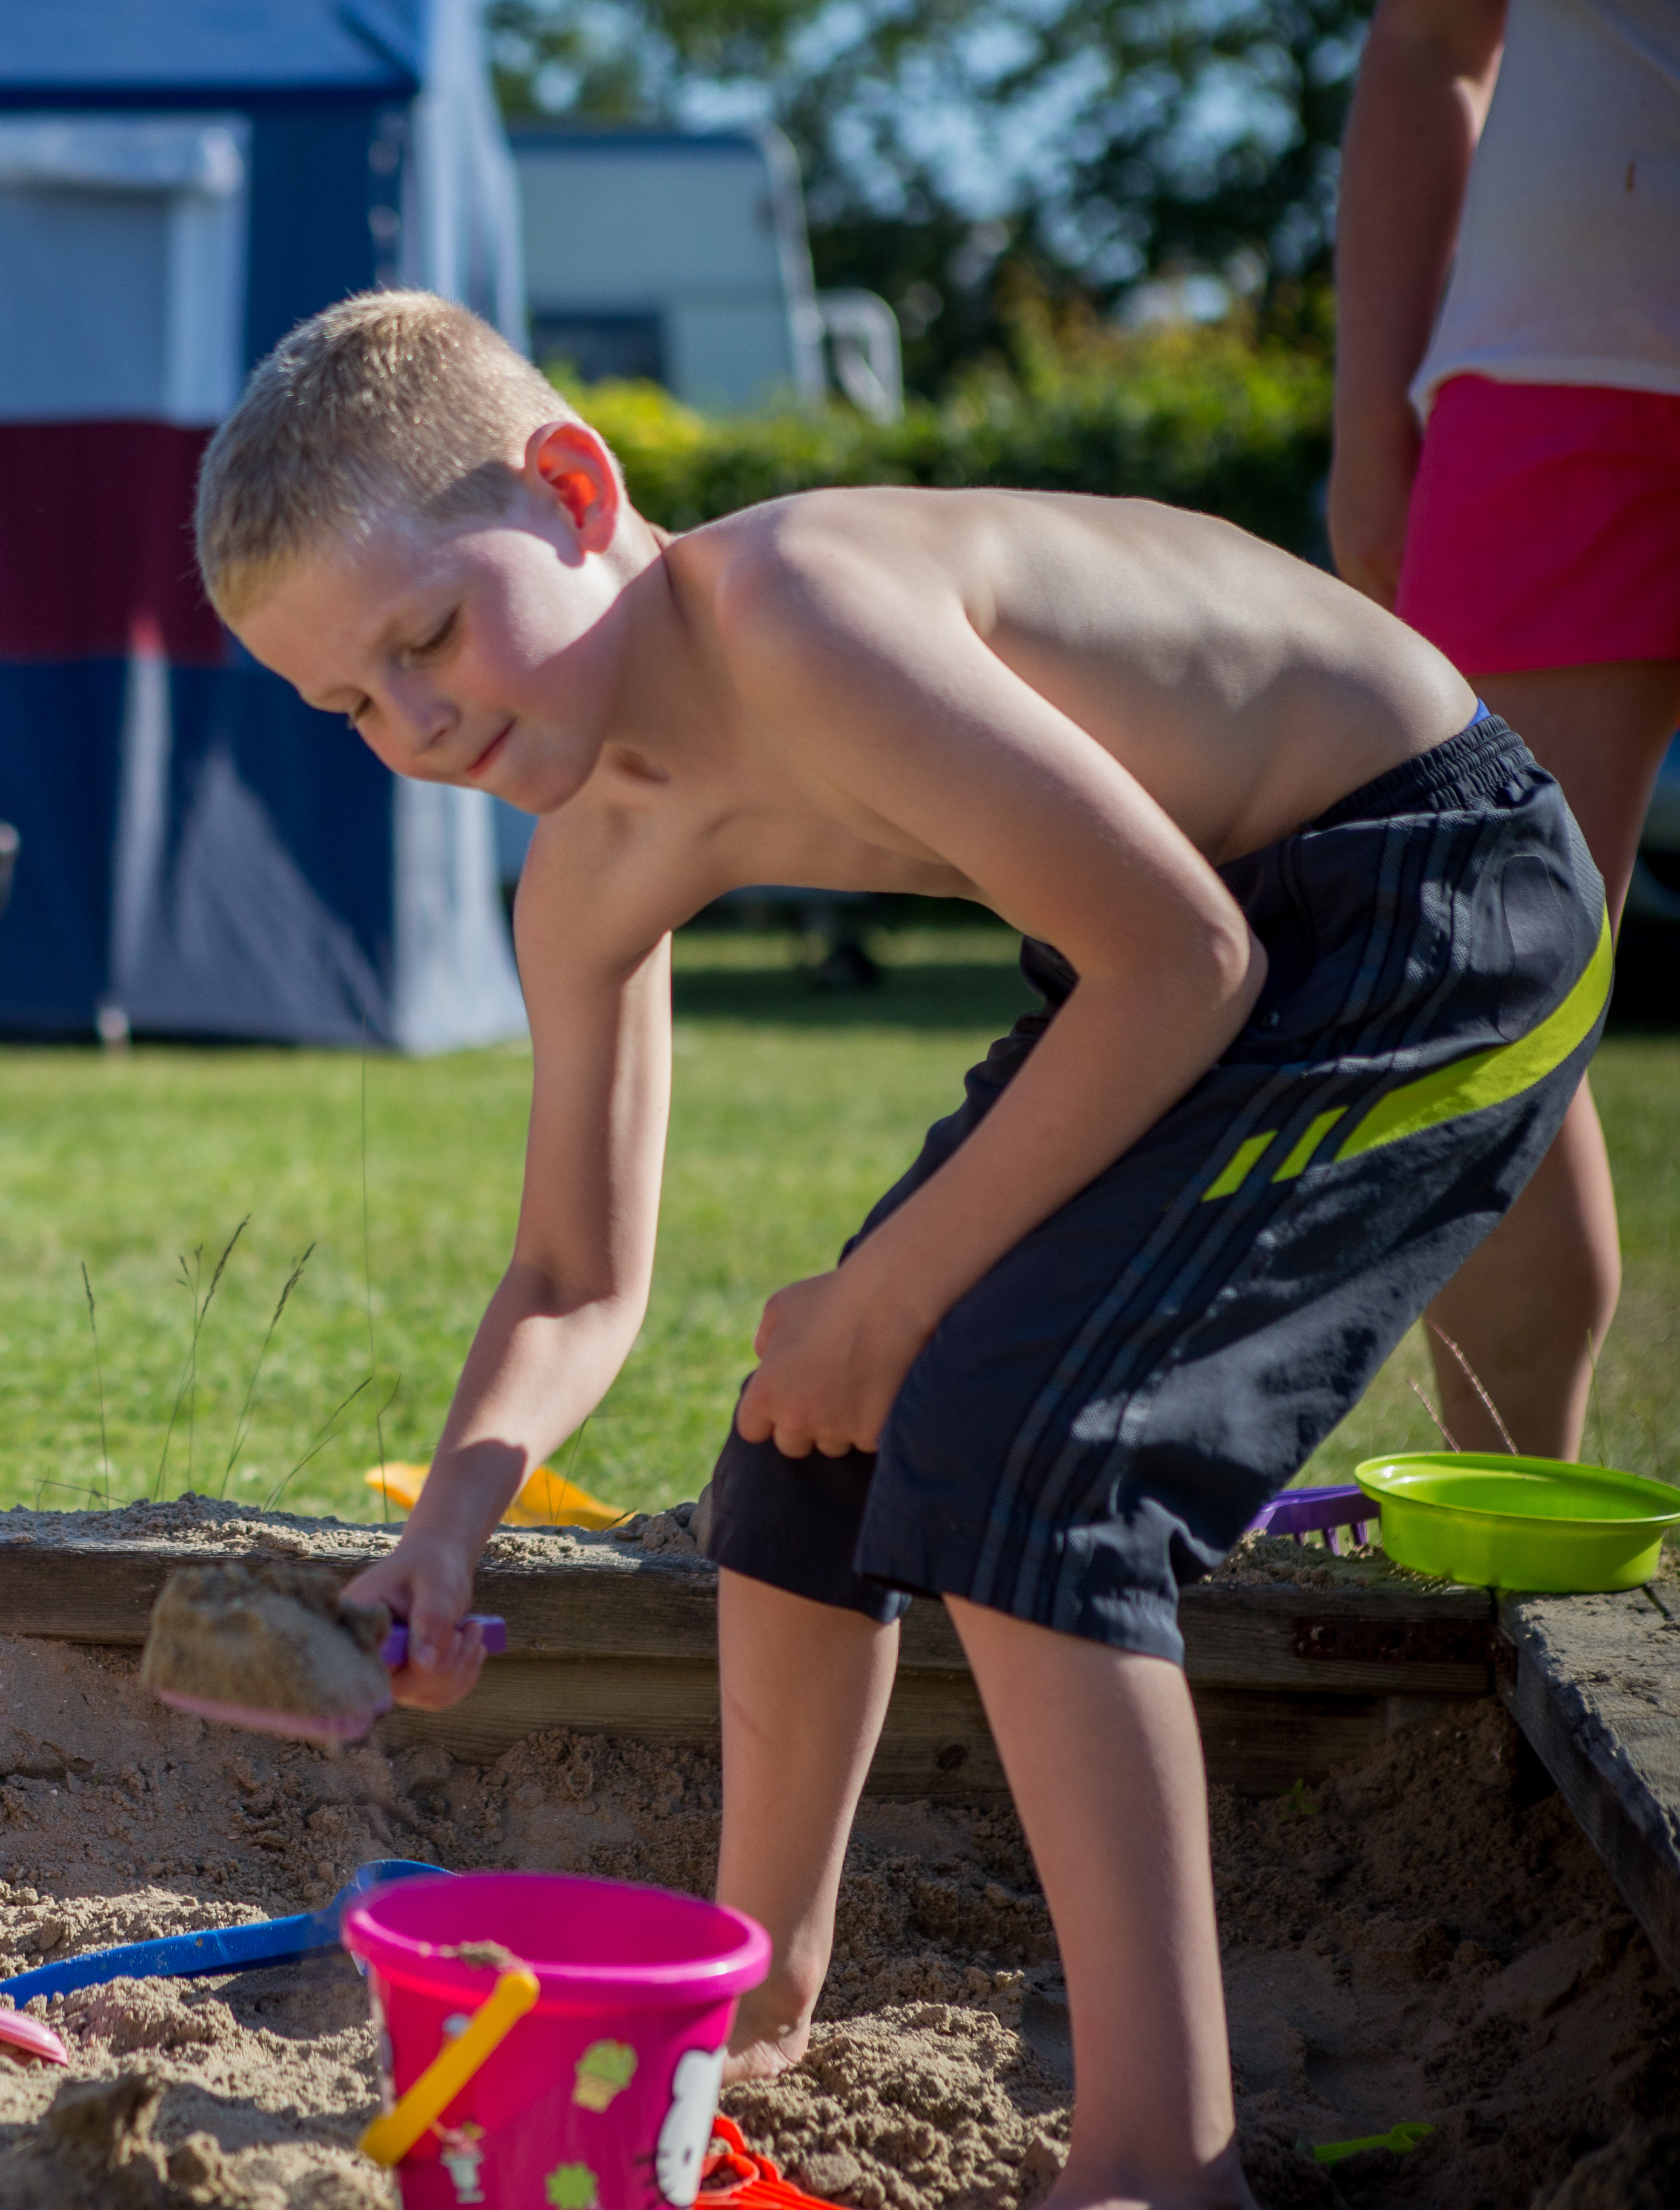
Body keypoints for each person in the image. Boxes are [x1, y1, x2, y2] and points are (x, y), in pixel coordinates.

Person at [197, 294, 1606, 2207]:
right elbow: (574, 1279)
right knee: (799, 1448)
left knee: (1037, 1457)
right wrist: (451, 1517)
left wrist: (891, 1293)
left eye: (426, 637)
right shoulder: (591, 864)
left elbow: (1188, 963)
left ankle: (1156, 2159)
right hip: (1182, 938)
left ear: (574, 487)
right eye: (349, 704)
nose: (417, 723)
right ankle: (759, 1995)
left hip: (1425, 893)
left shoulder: (800, 608)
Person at [1332, 0, 1680, 1459]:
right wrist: (1369, 429)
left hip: (1552, 370)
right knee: (1480, 995)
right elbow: (1427, 45)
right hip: (1549, 378)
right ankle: (1510, 1520)